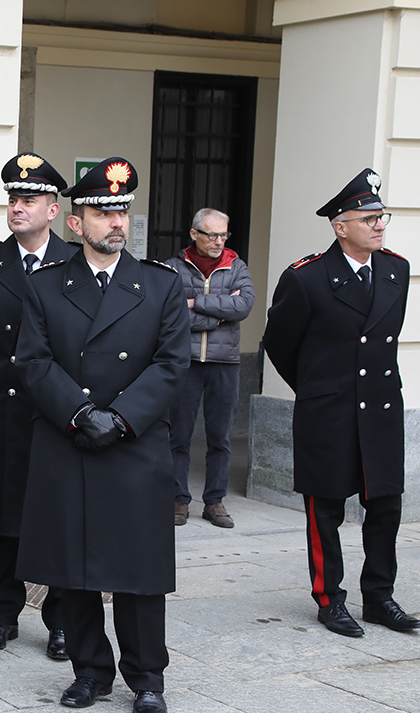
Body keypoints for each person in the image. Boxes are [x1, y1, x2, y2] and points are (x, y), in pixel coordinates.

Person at [15, 157, 189, 713]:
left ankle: (147, 678)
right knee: (75, 566)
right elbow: (33, 362)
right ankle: (89, 670)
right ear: (74, 222)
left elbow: (171, 365)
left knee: (138, 572)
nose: (116, 221)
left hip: (134, 445)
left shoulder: (160, 285)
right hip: (70, 440)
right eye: (101, 211)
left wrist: (119, 418)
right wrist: (80, 412)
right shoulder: (45, 287)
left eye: (121, 210)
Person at [262, 168, 418, 638]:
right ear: (339, 225)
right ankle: (329, 599)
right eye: (367, 217)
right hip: (329, 412)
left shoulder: (396, 269)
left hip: (382, 409)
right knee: (325, 510)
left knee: (386, 506)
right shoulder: (307, 278)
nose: (378, 225)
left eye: (381, 216)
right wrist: (318, 388)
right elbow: (279, 343)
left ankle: (380, 597)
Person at [0, 152, 78, 658]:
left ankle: (60, 621)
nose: (17, 207)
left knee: (54, 515)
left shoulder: (75, 263)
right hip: (0, 404)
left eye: (29, 199)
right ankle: (3, 613)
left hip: (52, 409)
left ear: (53, 209)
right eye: (13, 198)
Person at [167, 208, 254, 528]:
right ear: (194, 234)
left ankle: (215, 501)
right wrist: (219, 313)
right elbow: (170, 312)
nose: (219, 241)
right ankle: (178, 500)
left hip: (225, 363)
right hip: (185, 362)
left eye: (223, 235)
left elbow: (243, 305)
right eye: (212, 235)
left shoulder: (236, 266)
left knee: (220, 438)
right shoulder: (174, 268)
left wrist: (195, 303)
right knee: (179, 435)